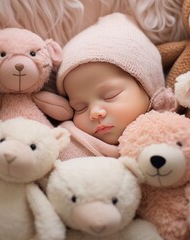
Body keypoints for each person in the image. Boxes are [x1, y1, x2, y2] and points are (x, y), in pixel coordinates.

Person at [55, 13, 176, 160]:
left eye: (110, 96)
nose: (95, 112)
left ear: (147, 86)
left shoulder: (174, 132)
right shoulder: (67, 139)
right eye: (79, 107)